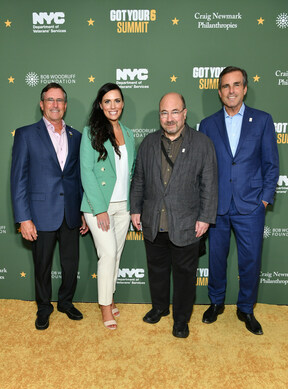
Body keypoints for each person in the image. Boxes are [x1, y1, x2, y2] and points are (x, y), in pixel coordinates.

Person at [130, 92, 218, 338]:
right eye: (164, 112)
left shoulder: (202, 143)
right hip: (154, 220)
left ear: (185, 113)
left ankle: (181, 319)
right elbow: (139, 180)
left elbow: (209, 184)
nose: (169, 118)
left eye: (175, 112)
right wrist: (135, 209)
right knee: (156, 270)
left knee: (185, 276)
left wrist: (205, 217)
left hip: (187, 223)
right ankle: (159, 307)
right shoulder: (148, 143)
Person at [199, 66, 279, 335]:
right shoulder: (208, 124)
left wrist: (265, 200)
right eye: (225, 86)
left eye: (236, 85)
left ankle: (246, 308)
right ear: (219, 91)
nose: (230, 90)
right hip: (218, 206)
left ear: (245, 88)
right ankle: (216, 303)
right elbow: (204, 169)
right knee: (216, 259)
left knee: (251, 260)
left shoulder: (263, 120)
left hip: (251, 206)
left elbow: (271, 164)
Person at [11, 83, 88, 330]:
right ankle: (44, 307)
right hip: (40, 214)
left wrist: (83, 212)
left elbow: (78, 177)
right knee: (42, 266)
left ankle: (66, 302)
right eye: (50, 100)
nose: (55, 105)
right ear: (42, 104)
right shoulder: (25, 134)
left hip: (70, 213)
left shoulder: (77, 136)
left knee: (70, 264)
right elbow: (18, 179)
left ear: (65, 105)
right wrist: (24, 218)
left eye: (60, 100)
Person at [80, 83, 135, 330]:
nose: (113, 106)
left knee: (117, 255)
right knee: (108, 254)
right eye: (108, 101)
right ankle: (104, 306)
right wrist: (99, 209)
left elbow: (130, 172)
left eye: (117, 101)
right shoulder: (91, 133)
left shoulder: (129, 133)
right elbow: (87, 172)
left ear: (122, 104)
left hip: (124, 205)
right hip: (98, 206)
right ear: (100, 105)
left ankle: (109, 297)